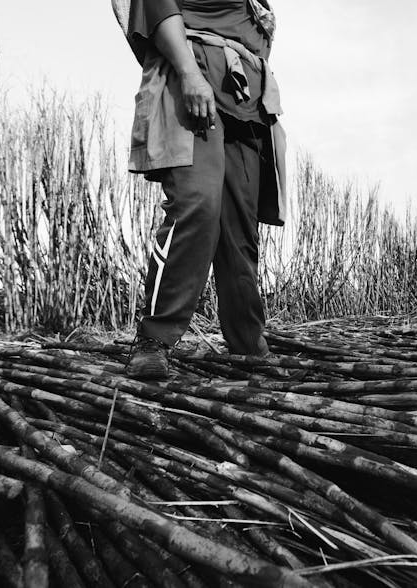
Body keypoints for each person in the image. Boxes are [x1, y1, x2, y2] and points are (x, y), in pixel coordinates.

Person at [111, 0, 286, 378]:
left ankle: (248, 345)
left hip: (246, 95)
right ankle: (154, 338)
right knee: (197, 204)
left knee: (241, 227)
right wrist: (189, 73)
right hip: (193, 72)